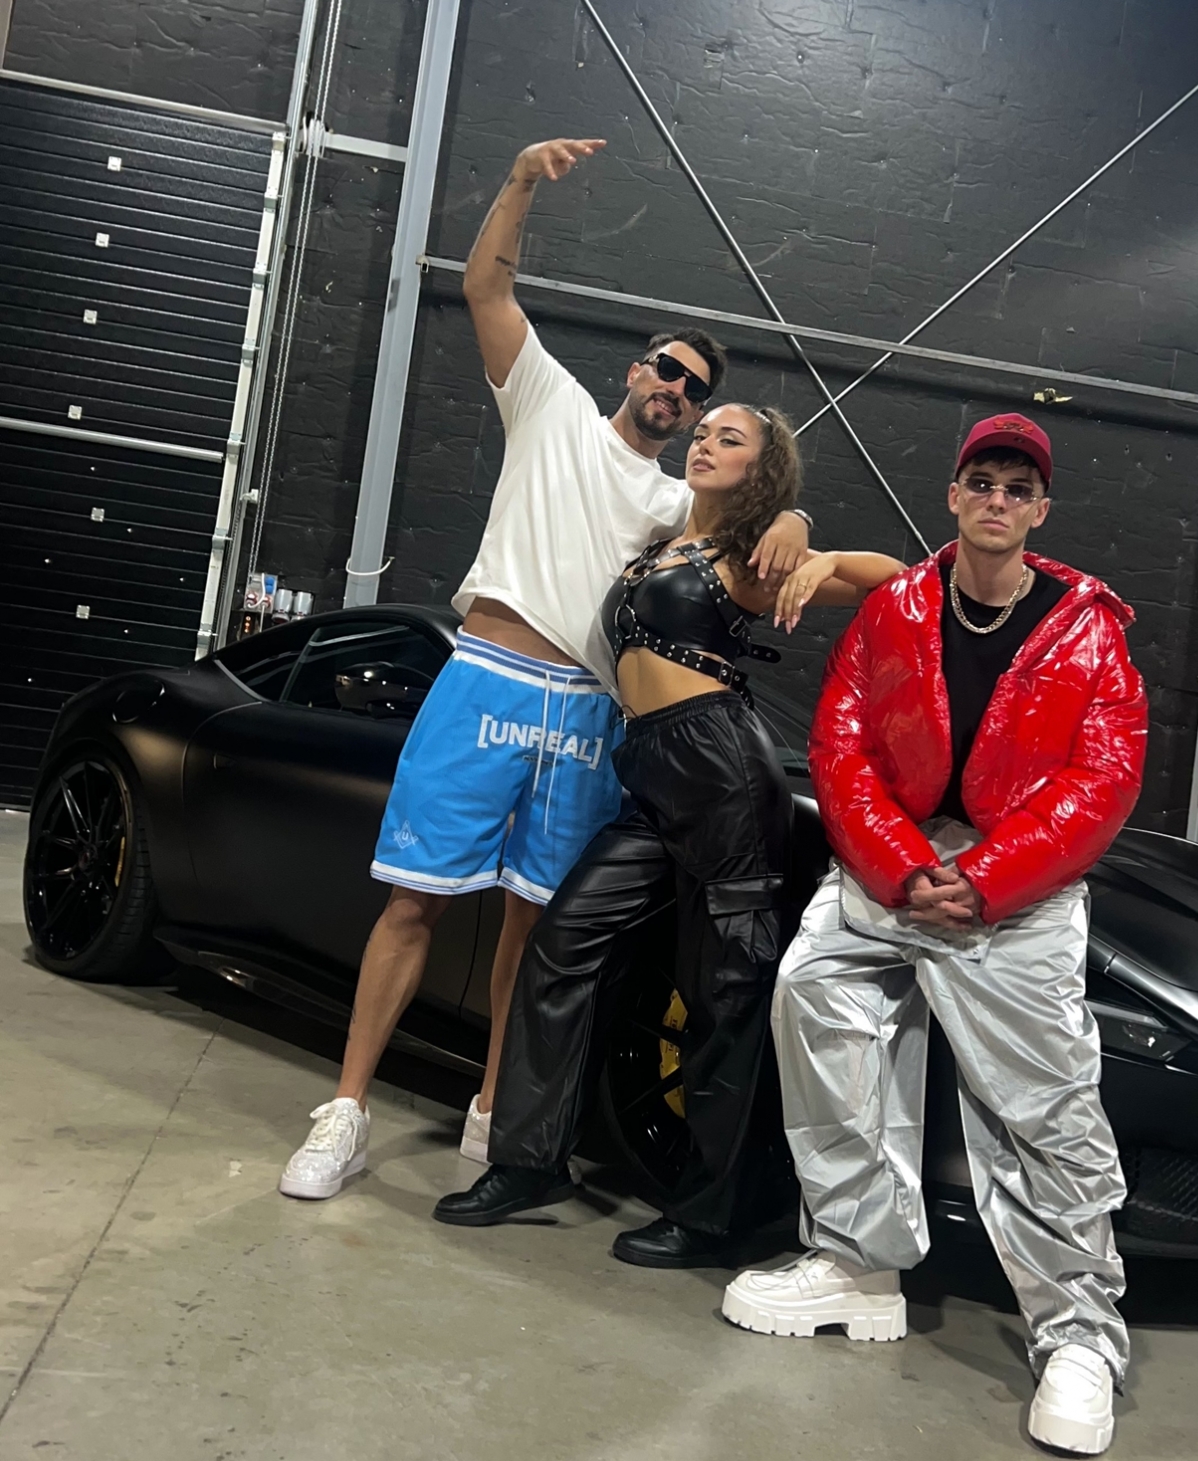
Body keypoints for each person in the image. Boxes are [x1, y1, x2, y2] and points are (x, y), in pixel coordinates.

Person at [278, 137, 810, 1200]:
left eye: (697, 391)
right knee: (413, 906)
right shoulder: (549, 403)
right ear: (635, 371)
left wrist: (792, 514)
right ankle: (344, 1112)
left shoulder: (682, 504)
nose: (677, 392)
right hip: (486, 677)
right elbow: (484, 288)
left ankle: (496, 1113)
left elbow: (760, 527)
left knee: (535, 927)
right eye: (667, 370)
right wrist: (520, 181)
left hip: (586, 716)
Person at [720, 414, 1148, 1457]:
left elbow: (1104, 776)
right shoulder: (897, 607)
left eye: (1017, 488)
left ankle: (1077, 1333)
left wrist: (988, 877)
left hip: (1016, 884)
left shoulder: (1087, 629)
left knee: (1042, 1102)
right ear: (952, 497)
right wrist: (902, 865)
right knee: (817, 995)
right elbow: (842, 744)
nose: (997, 499)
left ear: (1039, 510)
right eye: (981, 482)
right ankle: (857, 1263)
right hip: (897, 867)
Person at [430, 403, 907, 1269]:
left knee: (724, 989)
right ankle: (530, 1161)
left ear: (761, 467)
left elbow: (893, 579)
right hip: (648, 770)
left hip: (721, 772)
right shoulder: (662, 543)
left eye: (730, 439)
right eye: (703, 432)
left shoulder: (751, 555)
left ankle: (711, 1214)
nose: (705, 444)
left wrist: (809, 539)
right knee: (561, 946)